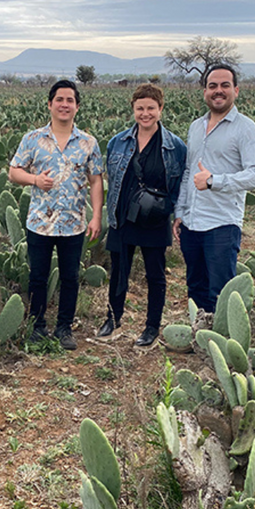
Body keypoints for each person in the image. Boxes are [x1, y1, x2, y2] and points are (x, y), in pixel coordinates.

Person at [9, 80, 104, 350]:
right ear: (50, 104)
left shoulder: (88, 143)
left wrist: (96, 216)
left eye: (70, 100)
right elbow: (13, 172)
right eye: (59, 100)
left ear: (77, 106)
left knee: (71, 277)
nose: (64, 105)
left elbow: (96, 181)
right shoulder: (32, 139)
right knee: (38, 275)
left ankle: (64, 328)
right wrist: (35, 180)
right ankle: (37, 326)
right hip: (40, 221)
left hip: (73, 223)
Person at [96, 84, 186, 346]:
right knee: (118, 271)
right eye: (140, 108)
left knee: (155, 274)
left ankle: (151, 327)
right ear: (133, 109)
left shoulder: (175, 146)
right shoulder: (118, 142)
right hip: (123, 216)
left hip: (156, 218)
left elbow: (180, 184)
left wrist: (175, 212)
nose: (145, 113)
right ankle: (113, 318)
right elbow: (113, 180)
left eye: (151, 108)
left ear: (160, 109)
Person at [174, 64, 255, 314]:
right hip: (192, 223)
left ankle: (220, 348)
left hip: (222, 224)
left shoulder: (246, 129)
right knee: (195, 289)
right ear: (205, 91)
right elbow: (188, 173)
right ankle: (199, 341)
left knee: (221, 294)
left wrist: (215, 181)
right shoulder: (195, 127)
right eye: (212, 86)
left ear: (236, 90)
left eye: (225, 85)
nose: (218, 91)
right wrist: (180, 211)